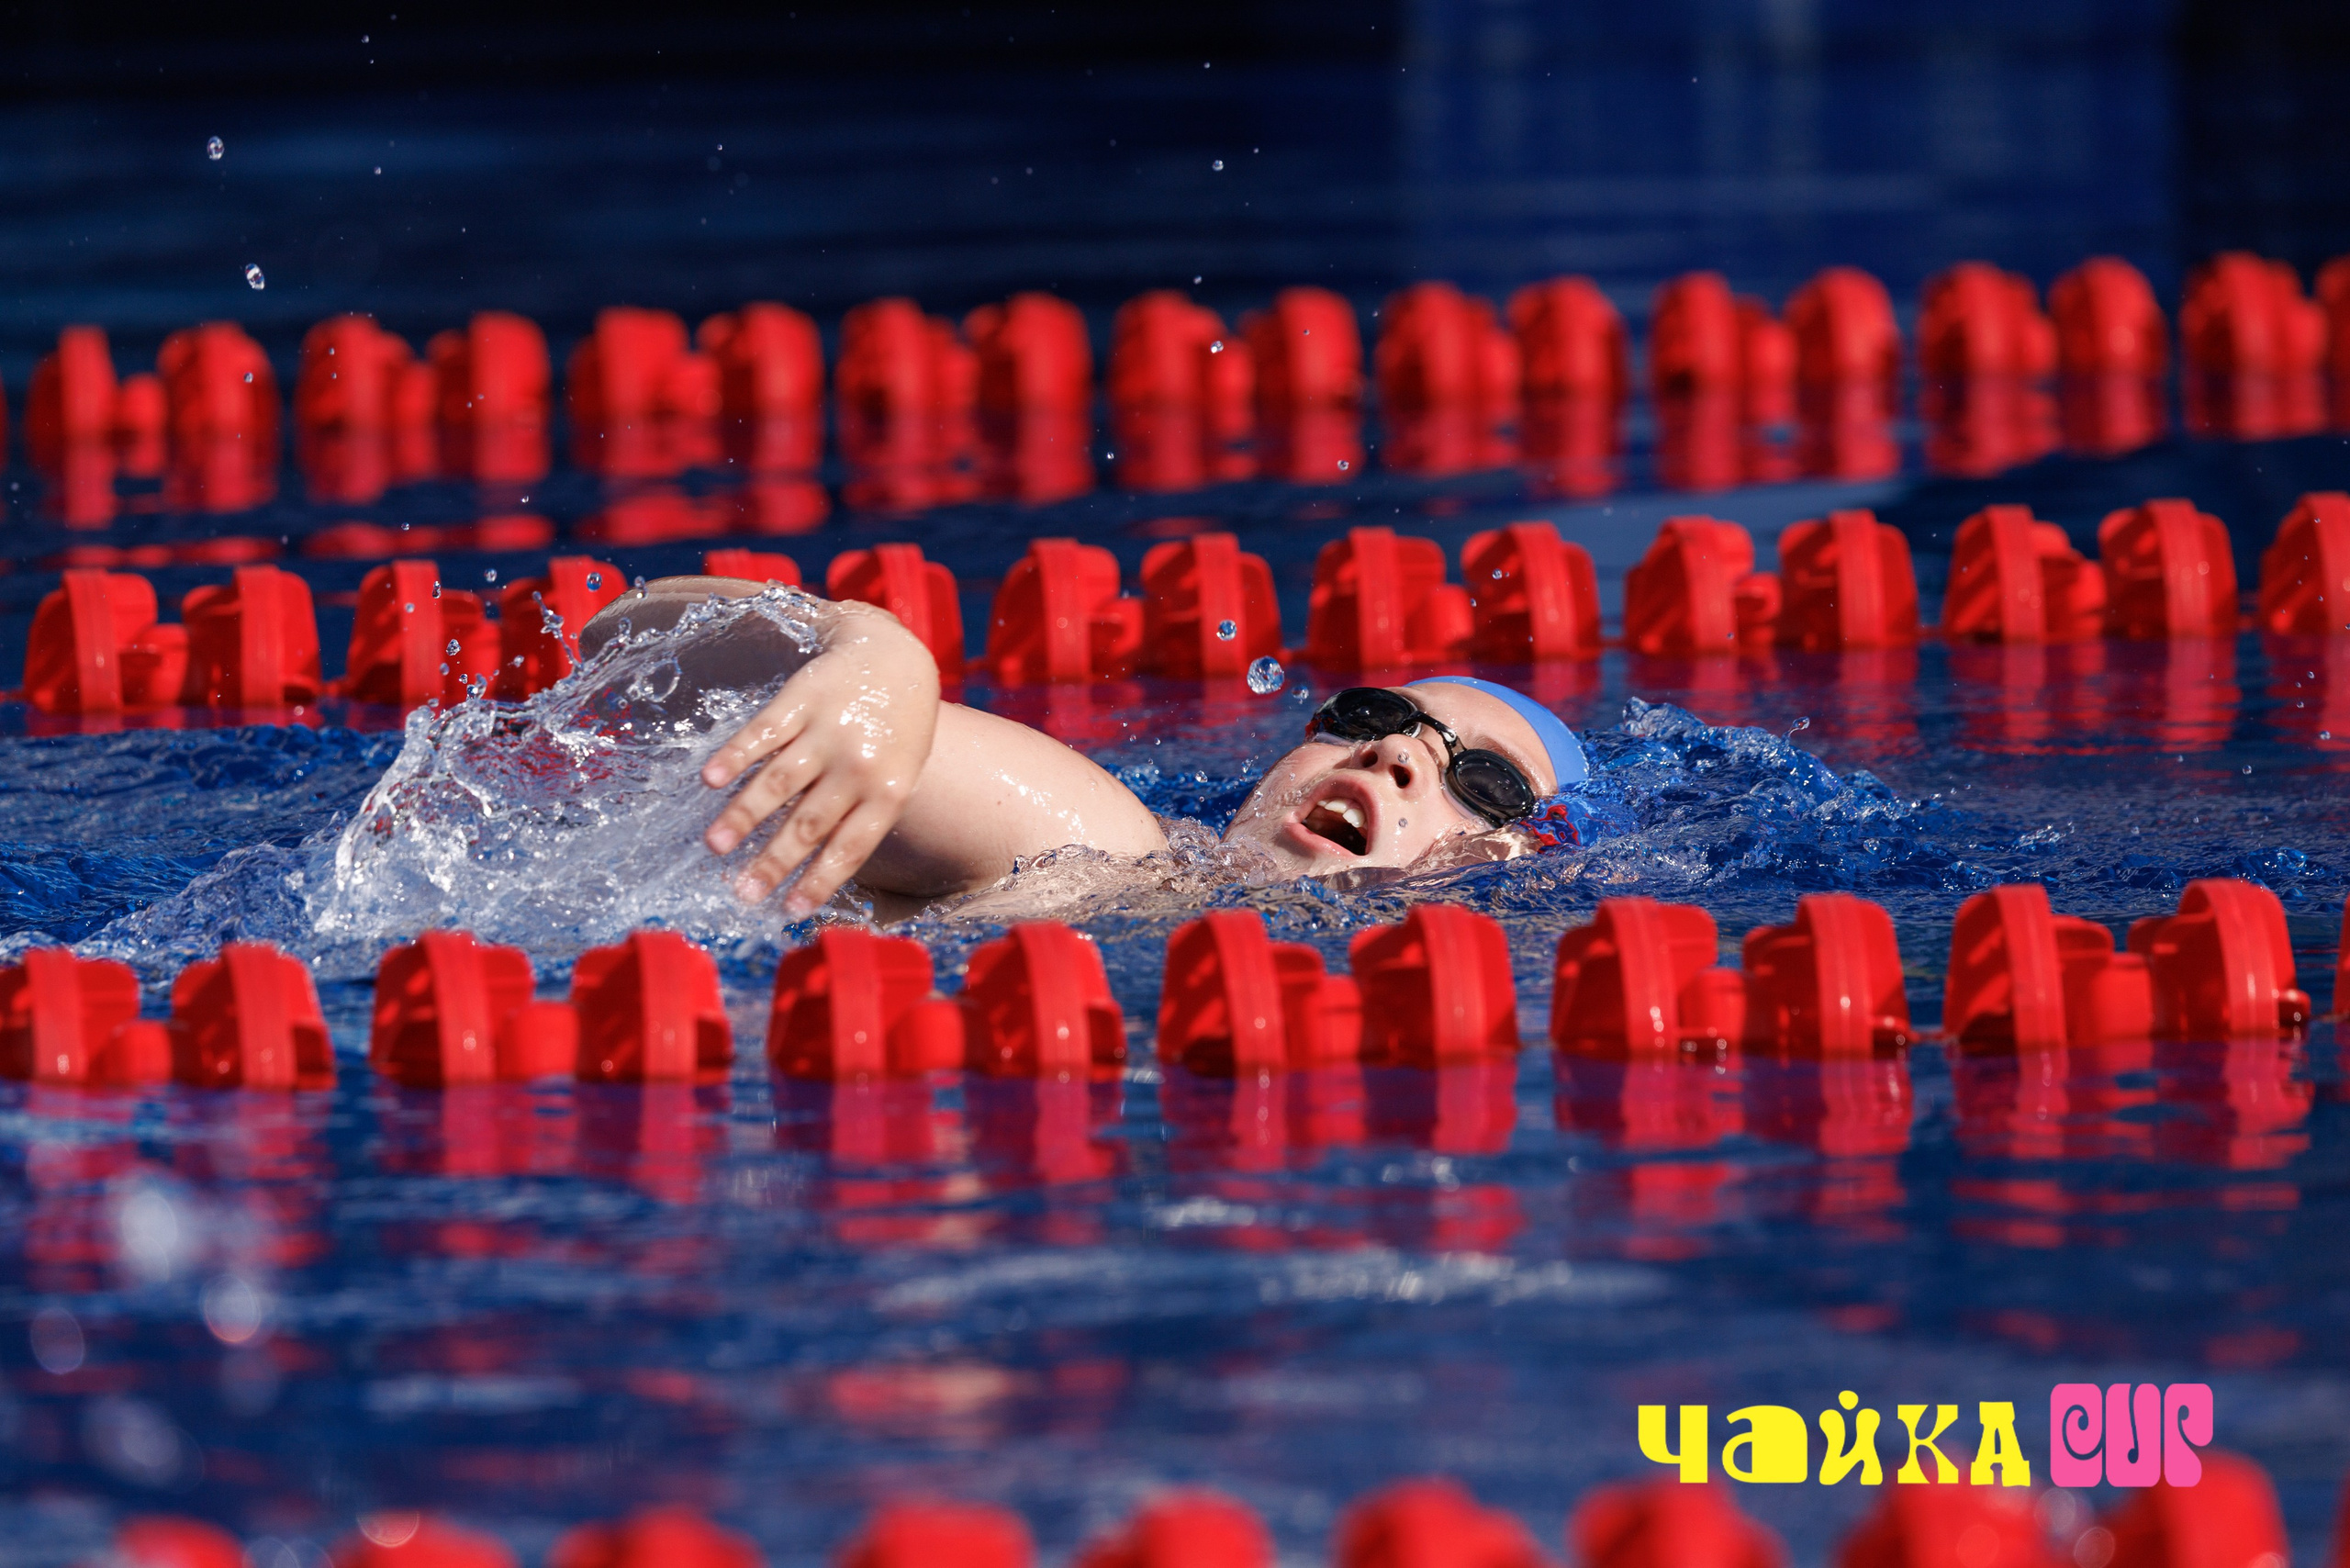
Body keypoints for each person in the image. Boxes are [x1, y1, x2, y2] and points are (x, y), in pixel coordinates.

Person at [579, 577, 1588, 919]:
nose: (1394, 757)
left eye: (1484, 781)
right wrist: (863, 647)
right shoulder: (1105, 848)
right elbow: (617, 645)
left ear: (1528, 862)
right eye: (1370, 716)